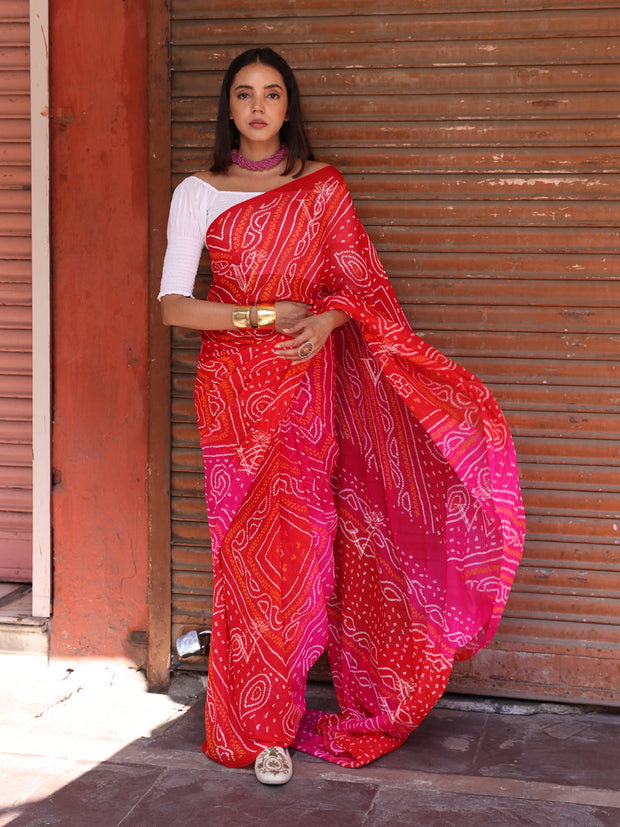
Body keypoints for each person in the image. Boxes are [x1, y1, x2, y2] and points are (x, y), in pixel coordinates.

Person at [159, 47, 525, 786]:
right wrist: (261, 314)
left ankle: (279, 720)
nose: (258, 107)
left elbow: (359, 291)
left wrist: (325, 324)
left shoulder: (322, 189)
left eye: (271, 94)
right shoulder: (198, 191)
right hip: (233, 395)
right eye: (243, 95)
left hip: (305, 386)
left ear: (289, 107)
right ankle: (252, 725)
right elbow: (172, 306)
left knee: (303, 556)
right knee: (246, 560)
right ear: (227, 109)